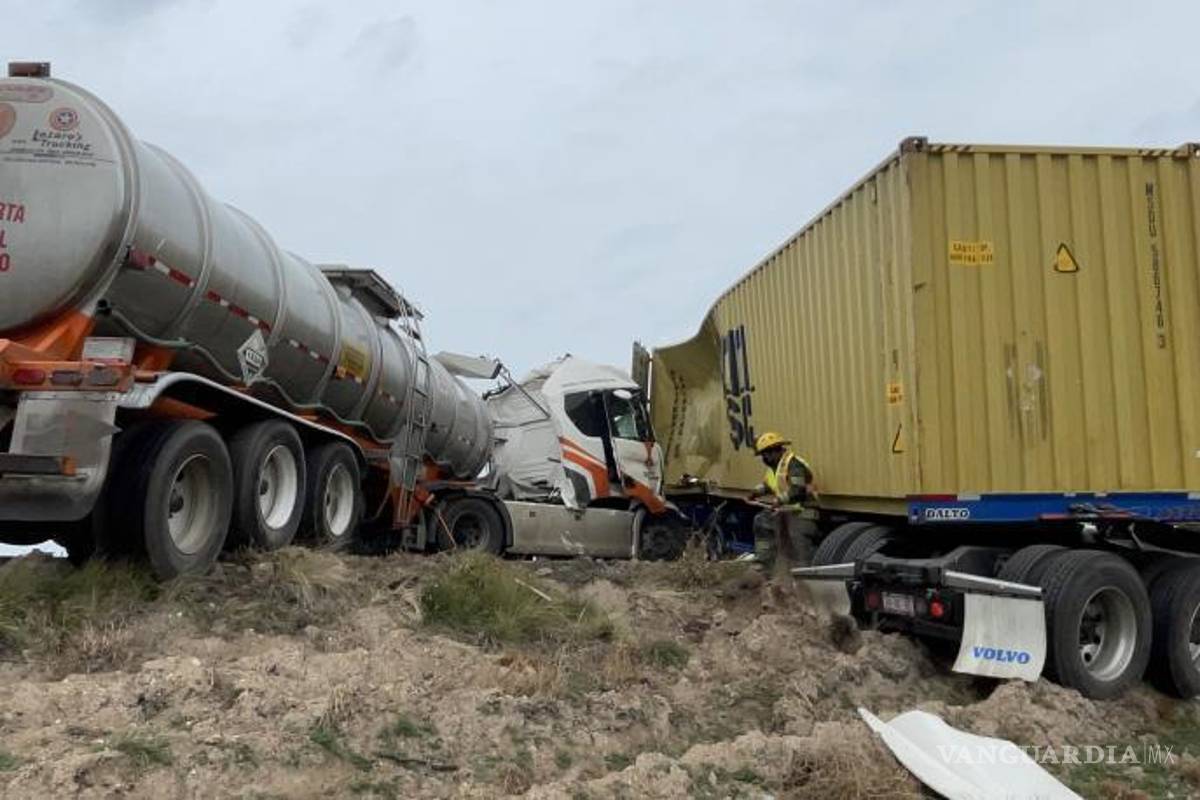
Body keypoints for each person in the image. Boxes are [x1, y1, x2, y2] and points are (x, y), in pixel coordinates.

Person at [749, 431, 816, 569]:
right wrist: (756, 492)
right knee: (761, 522)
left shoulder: (794, 465)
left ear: (775, 451)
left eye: (766, 454)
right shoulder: (774, 467)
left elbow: (798, 490)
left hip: (803, 511)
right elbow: (770, 485)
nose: (764, 458)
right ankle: (763, 564)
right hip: (786, 510)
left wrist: (779, 500)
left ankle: (804, 573)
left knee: (797, 539)